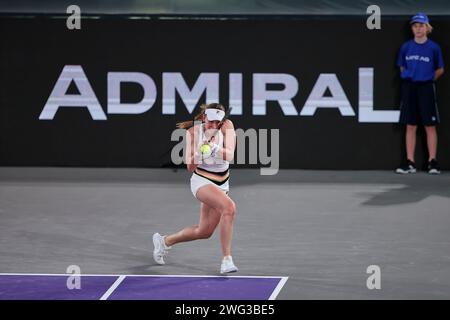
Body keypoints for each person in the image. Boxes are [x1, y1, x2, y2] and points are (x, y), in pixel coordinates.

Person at [152, 103, 239, 274]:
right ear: (204, 117)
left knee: (204, 231)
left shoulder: (227, 126)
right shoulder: (193, 132)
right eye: (211, 121)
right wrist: (199, 154)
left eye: (217, 122)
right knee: (229, 208)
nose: (214, 125)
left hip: (222, 184)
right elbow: (190, 166)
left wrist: (213, 148)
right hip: (201, 182)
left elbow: (230, 155)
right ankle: (226, 260)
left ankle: (164, 241)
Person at [396, 13, 444, 174]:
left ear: (427, 28)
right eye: (415, 26)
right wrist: (411, 77)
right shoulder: (406, 47)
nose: (418, 29)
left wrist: (428, 79)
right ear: (412, 28)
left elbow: (440, 69)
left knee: (430, 126)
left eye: (421, 25)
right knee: (411, 125)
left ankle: (433, 161)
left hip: (426, 88)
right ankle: (410, 162)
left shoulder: (434, 48)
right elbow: (402, 67)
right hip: (410, 88)